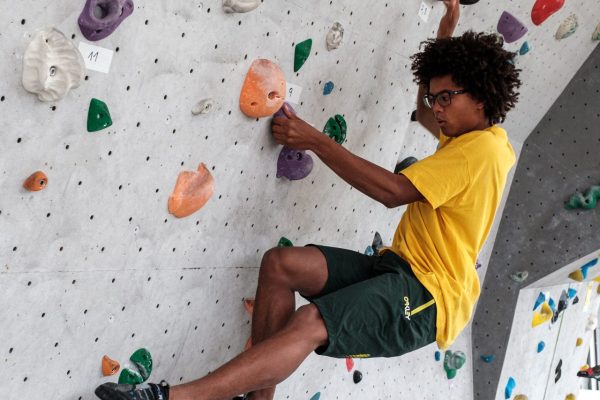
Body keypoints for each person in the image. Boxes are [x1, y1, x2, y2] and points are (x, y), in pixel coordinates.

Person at [95, 1, 521, 399]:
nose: (437, 108)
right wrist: (445, 37)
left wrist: (315, 140)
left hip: (430, 297)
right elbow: (427, 117)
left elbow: (393, 192)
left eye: (447, 97)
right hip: (399, 267)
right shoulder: (470, 136)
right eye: (435, 95)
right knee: (281, 266)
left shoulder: (481, 151)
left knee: (312, 321)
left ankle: (167, 396)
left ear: (482, 97)